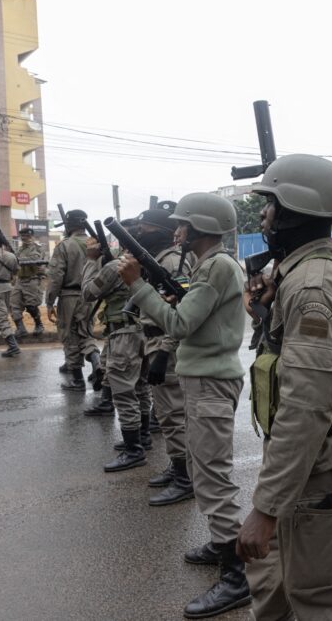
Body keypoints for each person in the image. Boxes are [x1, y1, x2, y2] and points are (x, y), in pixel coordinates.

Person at [236, 154, 332, 621]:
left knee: (323, 597)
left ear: (295, 212)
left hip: (312, 459)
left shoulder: (312, 288)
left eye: (271, 205)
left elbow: (306, 407)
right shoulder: (307, 269)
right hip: (303, 457)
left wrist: (265, 507)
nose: (263, 216)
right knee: (275, 583)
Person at [118, 192, 249, 619]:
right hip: (204, 378)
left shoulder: (215, 267)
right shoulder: (208, 266)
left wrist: (137, 284)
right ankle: (222, 541)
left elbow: (177, 322)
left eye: (183, 224)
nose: (177, 230)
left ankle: (238, 573)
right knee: (204, 466)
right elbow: (187, 319)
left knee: (211, 475)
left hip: (211, 382)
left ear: (200, 228)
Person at [130, 208, 197, 507]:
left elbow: (181, 310)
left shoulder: (172, 260)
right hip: (155, 340)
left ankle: (186, 478)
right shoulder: (159, 258)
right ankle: (177, 465)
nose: (141, 233)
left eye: (145, 228)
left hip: (165, 344)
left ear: (159, 230)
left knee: (172, 415)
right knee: (167, 414)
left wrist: (164, 351)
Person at [82, 233, 150, 473]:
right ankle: (143, 436)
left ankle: (134, 450)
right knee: (141, 387)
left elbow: (88, 293)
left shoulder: (116, 266)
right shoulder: (151, 263)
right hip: (148, 332)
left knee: (123, 392)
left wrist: (91, 261)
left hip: (124, 334)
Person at [46, 210, 101, 391]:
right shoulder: (96, 244)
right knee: (87, 333)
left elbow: (55, 276)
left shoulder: (65, 246)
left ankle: (77, 380)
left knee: (70, 335)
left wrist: (49, 302)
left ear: (69, 225)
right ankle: (97, 365)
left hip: (69, 296)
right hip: (90, 295)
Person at [9, 227, 47, 337]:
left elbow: (34, 260)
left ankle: (39, 324)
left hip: (32, 280)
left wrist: (17, 259)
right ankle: (21, 328)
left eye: (27, 236)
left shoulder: (37, 248)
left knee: (31, 306)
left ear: (32, 236)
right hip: (20, 280)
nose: (25, 238)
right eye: (23, 236)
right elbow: (15, 262)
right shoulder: (20, 250)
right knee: (14, 305)